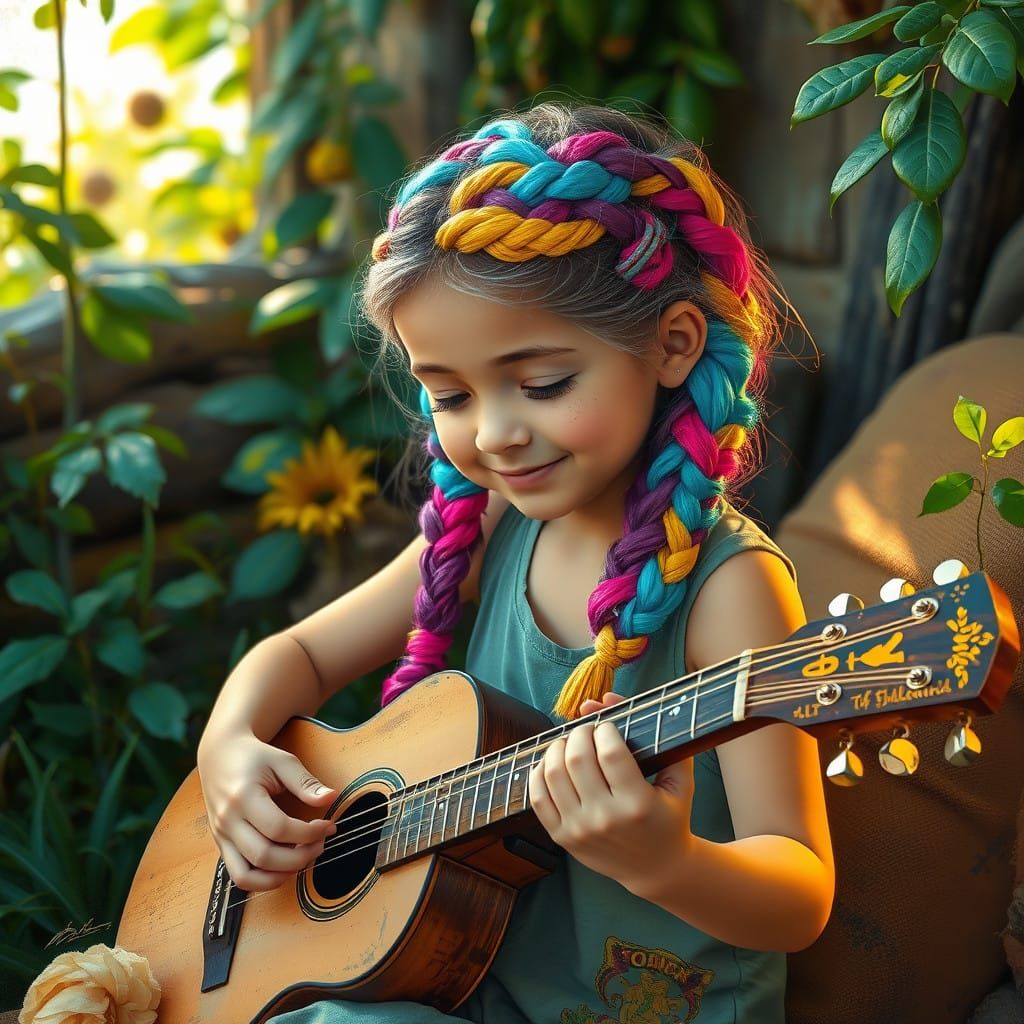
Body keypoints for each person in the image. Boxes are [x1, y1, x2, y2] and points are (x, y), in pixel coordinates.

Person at [196, 99, 834, 1024]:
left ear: (672, 344)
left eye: (542, 384)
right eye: (447, 394)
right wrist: (231, 747)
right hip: (456, 987)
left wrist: (668, 861)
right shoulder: (493, 524)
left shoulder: (728, 588)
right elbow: (293, 657)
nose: (494, 434)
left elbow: (800, 891)